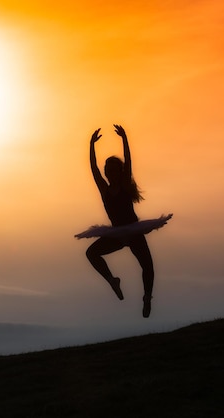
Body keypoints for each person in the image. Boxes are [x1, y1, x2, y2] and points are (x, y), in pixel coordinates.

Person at [85, 124, 155, 318]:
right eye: (108, 169)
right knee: (91, 253)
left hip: (132, 231)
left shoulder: (124, 184)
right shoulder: (104, 189)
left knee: (147, 266)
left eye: (113, 169)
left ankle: (147, 297)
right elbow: (93, 168)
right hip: (116, 234)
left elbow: (129, 162)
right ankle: (112, 280)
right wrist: (91, 145)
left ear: (119, 171)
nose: (109, 171)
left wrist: (124, 138)